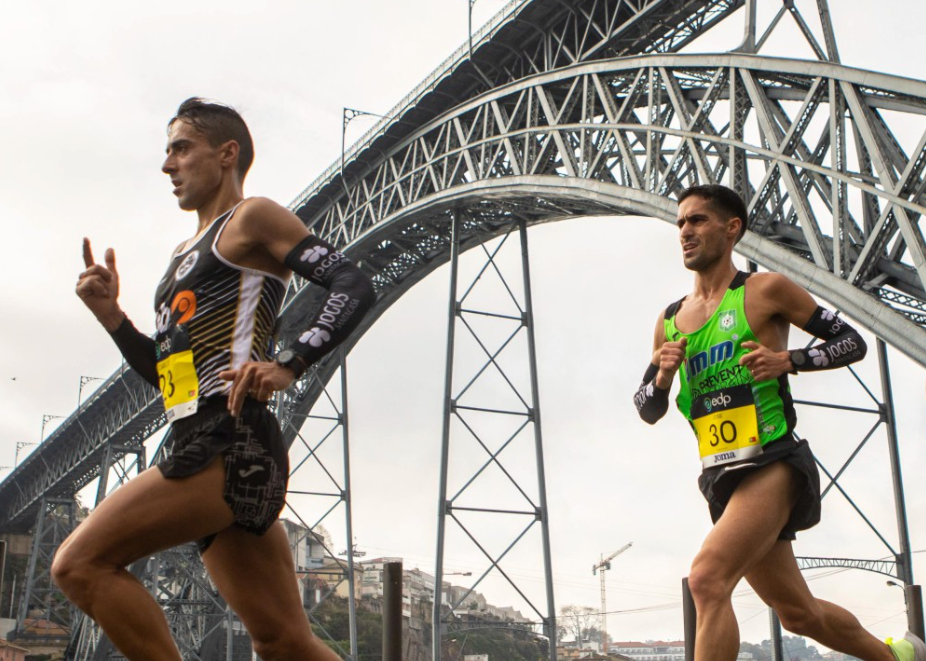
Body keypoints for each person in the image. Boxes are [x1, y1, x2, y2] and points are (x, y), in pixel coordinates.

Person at [54, 98, 376, 661]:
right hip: (200, 433)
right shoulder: (182, 254)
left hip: (229, 437)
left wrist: (290, 362)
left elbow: (352, 282)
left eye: (181, 148)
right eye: (167, 151)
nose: (167, 166)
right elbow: (169, 379)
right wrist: (113, 318)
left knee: (78, 564)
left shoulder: (252, 217)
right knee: (283, 642)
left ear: (227, 154)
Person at [633, 184, 925, 661]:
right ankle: (898, 657)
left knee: (707, 580)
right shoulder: (669, 320)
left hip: (773, 462)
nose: (685, 230)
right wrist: (663, 376)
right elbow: (647, 408)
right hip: (721, 476)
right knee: (798, 613)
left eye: (698, 220)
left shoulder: (764, 289)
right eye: (681, 222)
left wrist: (788, 360)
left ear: (732, 230)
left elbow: (851, 341)